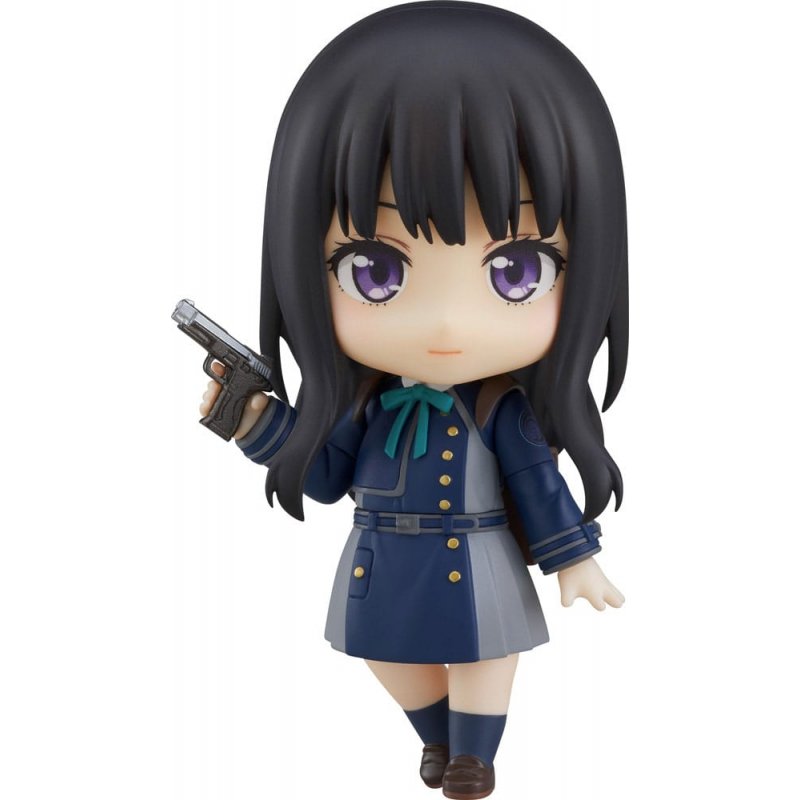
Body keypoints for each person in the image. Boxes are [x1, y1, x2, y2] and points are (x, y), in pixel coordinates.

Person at [198, 3, 628, 797]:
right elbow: (325, 478)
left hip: (476, 552)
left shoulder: (500, 411)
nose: (446, 324)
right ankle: (438, 739)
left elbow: (538, 484)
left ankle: (474, 759)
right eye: (375, 269)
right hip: (383, 555)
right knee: (383, 653)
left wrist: (574, 557)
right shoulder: (365, 404)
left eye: (517, 271)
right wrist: (256, 423)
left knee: (486, 653)